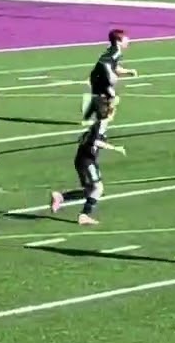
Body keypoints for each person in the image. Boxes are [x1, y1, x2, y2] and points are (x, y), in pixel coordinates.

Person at [50, 96, 126, 225]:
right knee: (98, 188)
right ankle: (84, 215)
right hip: (87, 161)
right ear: (109, 112)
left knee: (90, 191)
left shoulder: (99, 124)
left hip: (82, 159)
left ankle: (61, 197)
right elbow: (95, 141)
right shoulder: (101, 124)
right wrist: (115, 148)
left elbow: (83, 138)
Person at [84, 28, 137, 123]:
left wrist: (128, 71)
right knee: (113, 97)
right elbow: (105, 64)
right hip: (101, 77)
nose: (128, 40)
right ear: (118, 41)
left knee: (98, 96)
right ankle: (107, 116)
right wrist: (110, 75)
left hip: (96, 76)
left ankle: (87, 117)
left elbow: (114, 67)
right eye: (125, 38)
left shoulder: (111, 49)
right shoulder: (116, 51)